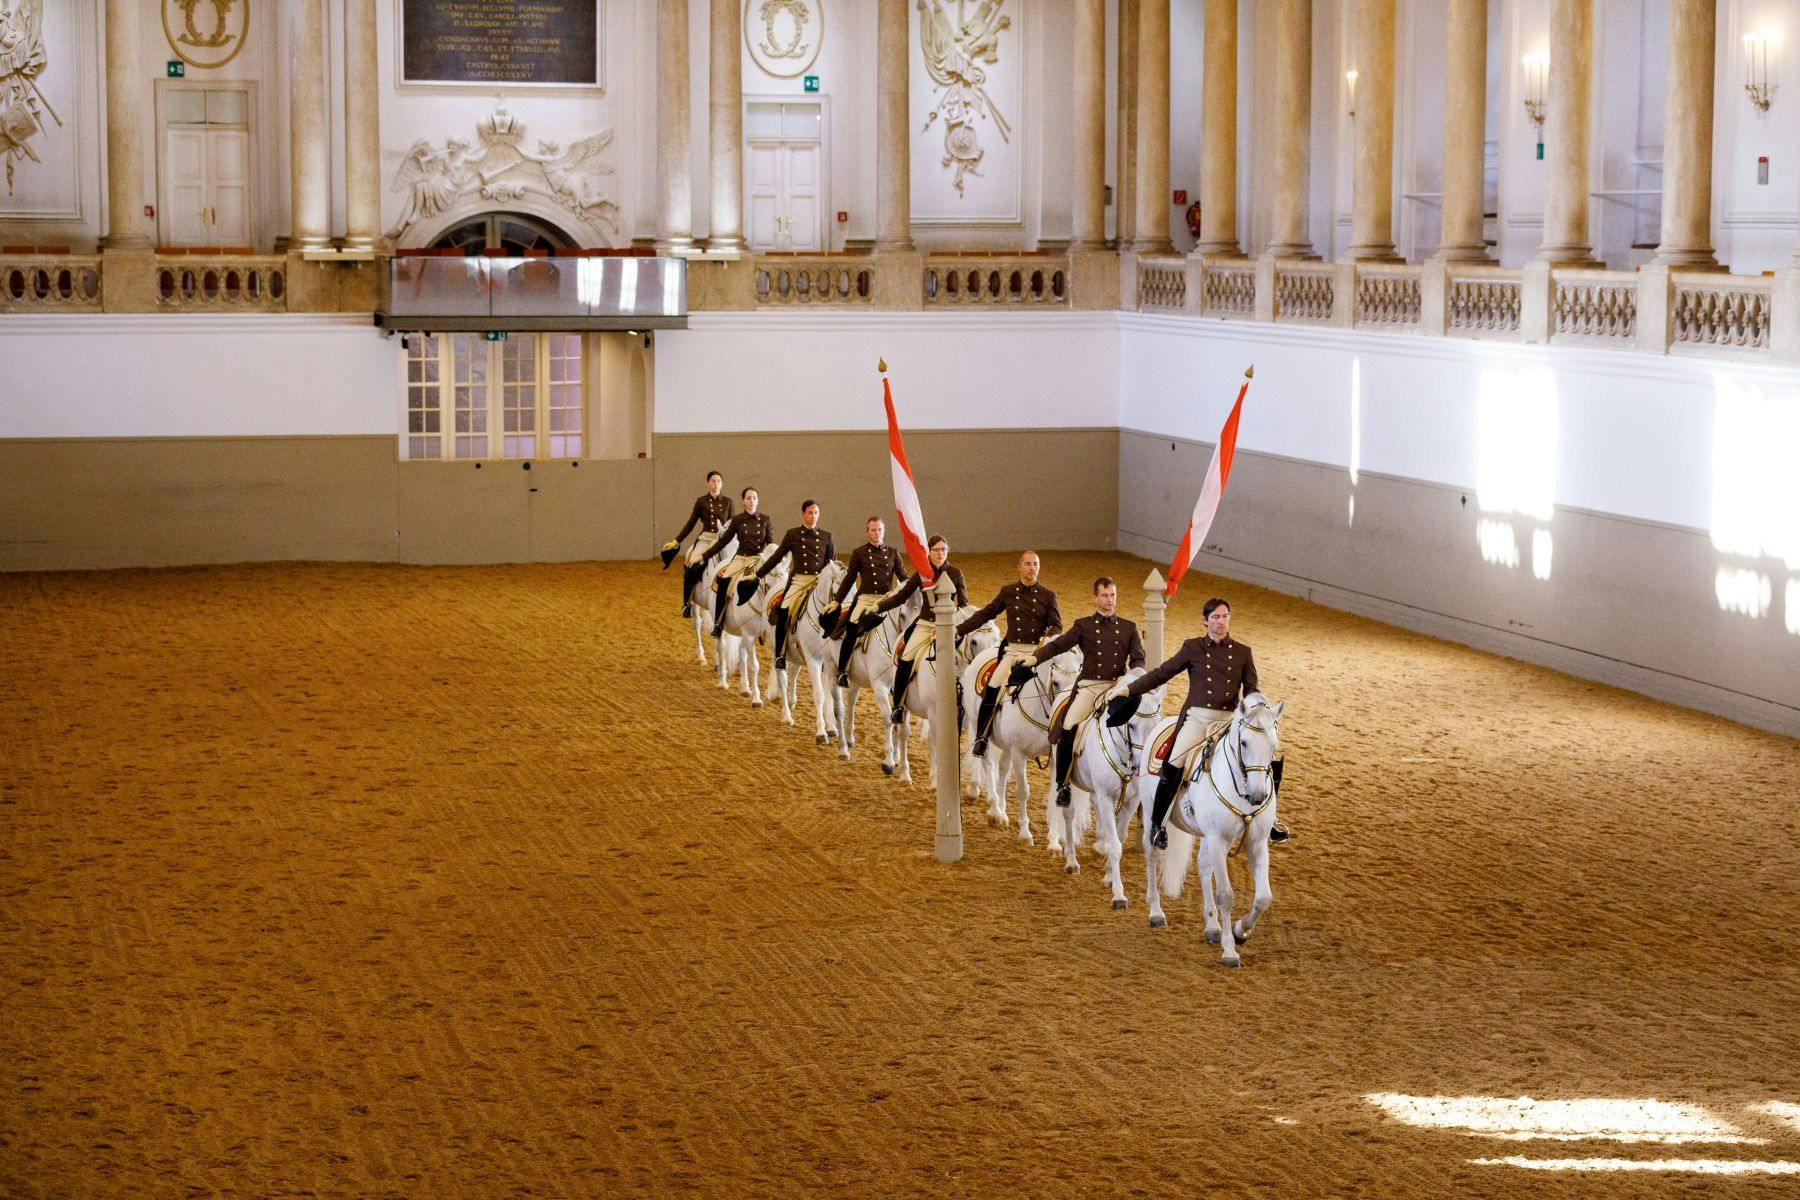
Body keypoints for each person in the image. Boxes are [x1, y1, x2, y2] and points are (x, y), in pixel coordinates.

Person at [1109, 597, 1284, 848]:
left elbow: (1252, 688)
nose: (1221, 622)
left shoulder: (1244, 652)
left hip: (1229, 719)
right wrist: (1129, 691)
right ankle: (1158, 825)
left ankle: (1271, 821)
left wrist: (1259, 704)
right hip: (1198, 718)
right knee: (1175, 760)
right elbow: (1161, 674)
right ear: (1205, 621)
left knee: (1261, 756)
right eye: (1215, 617)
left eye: (1225, 617)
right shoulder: (1192, 648)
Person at [1013, 577, 1144, 808]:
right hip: (1089, 688)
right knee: (1069, 725)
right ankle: (1063, 784)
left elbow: (1138, 658)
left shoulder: (1128, 627)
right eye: (1104, 595)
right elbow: (1058, 645)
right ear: (1095, 598)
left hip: (1116, 687)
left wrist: (1134, 676)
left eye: (1113, 595)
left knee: (1139, 723)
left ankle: (1139, 775)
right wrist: (1034, 658)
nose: (1109, 600)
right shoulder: (1083, 625)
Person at [956, 551, 1062, 758]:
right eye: (1028, 564)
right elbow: (986, 614)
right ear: (1020, 567)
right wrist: (960, 629)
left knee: (1059, 687)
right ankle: (982, 736)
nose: (1033, 568)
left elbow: (1057, 626)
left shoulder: (1049, 596)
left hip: (1037, 654)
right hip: (1013, 653)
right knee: (993, 687)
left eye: (1036, 564)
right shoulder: (1008, 592)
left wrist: (1045, 640)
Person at [879, 535, 967, 721]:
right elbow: (901, 597)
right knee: (906, 657)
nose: (940, 553)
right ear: (929, 552)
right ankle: (898, 705)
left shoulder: (955, 573)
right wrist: (879, 607)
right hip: (926, 625)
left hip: (948, 626)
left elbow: (963, 605)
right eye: (936, 550)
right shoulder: (922, 573)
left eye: (944, 549)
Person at [826, 517, 910, 688]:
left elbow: (904, 578)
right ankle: (843, 670)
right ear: (867, 532)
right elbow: (849, 580)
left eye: (880, 529)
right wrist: (836, 601)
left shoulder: (893, 553)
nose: (877, 533)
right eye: (873, 530)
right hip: (865, 599)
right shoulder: (859, 553)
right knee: (852, 626)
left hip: (887, 600)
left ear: (884, 531)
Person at [753, 499, 836, 670]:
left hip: (819, 582)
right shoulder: (793, 535)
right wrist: (757, 575)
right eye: (810, 513)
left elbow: (832, 565)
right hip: (799, 581)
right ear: (803, 514)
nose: (813, 516)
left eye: (816, 513)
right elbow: (776, 557)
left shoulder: (827, 536)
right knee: (784, 610)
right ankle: (781, 654)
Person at [700, 488, 774, 637]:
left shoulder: (765, 520)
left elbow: (770, 545)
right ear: (743, 501)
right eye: (748, 498)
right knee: (724, 582)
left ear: (757, 500)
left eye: (754, 498)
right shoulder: (737, 519)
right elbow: (723, 541)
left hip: (758, 559)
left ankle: (773, 621)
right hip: (741, 559)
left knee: (774, 582)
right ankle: (719, 623)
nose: (751, 500)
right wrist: (705, 556)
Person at [662, 471, 733, 617]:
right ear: (708, 483)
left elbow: (733, 524)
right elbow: (691, 523)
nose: (716, 484)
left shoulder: (728, 502)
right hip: (706, 539)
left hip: (723, 540)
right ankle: (686, 602)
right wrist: (676, 541)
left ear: (722, 483)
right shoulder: (701, 502)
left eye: (719, 481)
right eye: (713, 481)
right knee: (691, 564)